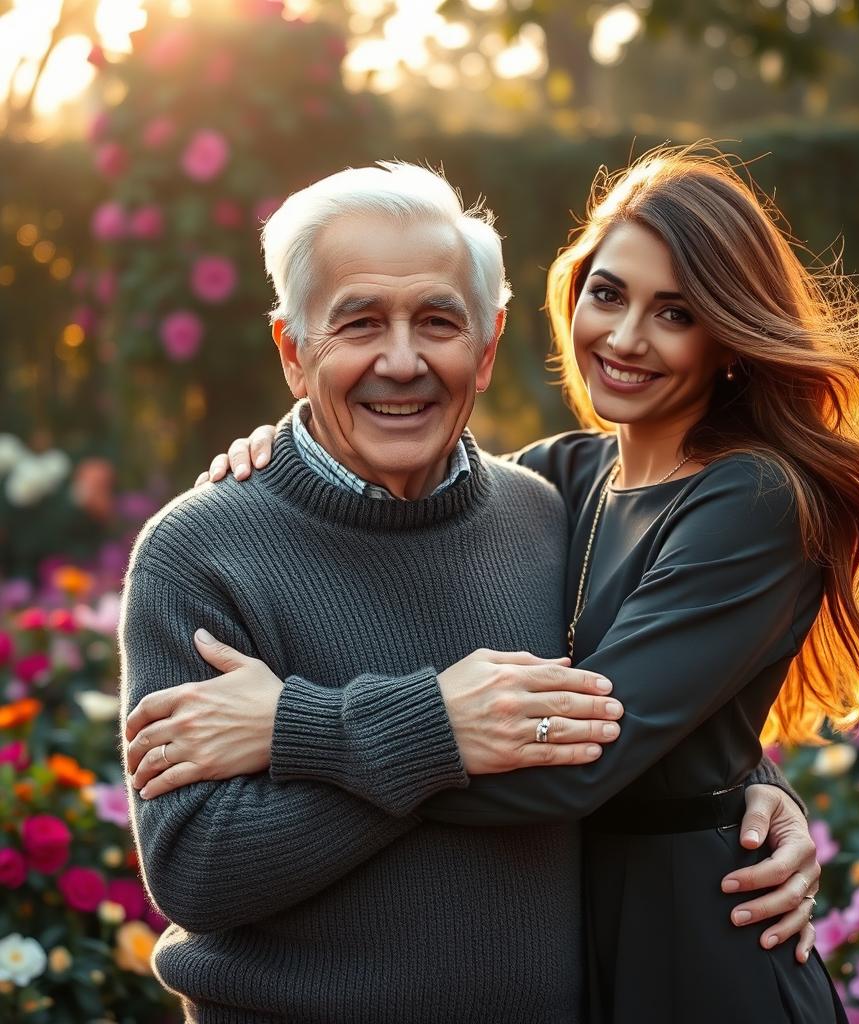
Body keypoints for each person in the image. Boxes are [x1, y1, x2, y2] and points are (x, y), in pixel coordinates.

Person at [119, 160, 819, 1024]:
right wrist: (437, 729)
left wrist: (750, 786)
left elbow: (621, 711)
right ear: (295, 353)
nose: (402, 361)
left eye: (438, 322)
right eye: (360, 323)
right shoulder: (200, 551)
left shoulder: (536, 513)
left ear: (485, 350)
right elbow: (198, 870)